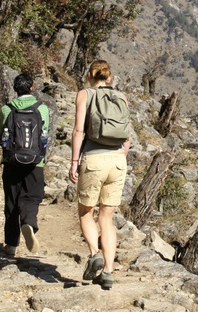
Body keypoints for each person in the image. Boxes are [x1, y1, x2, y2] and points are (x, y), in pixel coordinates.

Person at [68, 60, 131, 290]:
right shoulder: (122, 98)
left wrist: (74, 162)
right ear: (109, 77)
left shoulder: (84, 94)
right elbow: (127, 136)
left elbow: (78, 130)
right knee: (107, 219)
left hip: (94, 159)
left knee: (86, 212)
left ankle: (95, 253)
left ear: (89, 75)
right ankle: (108, 271)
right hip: (117, 161)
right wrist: (120, 155)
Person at [0, 73, 50, 257]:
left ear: (15, 89)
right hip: (35, 163)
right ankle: (28, 222)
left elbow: (0, 136)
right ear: (31, 88)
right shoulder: (42, 109)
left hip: (12, 162)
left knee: (11, 202)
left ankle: (11, 245)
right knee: (32, 197)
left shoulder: (6, 109)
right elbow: (45, 135)